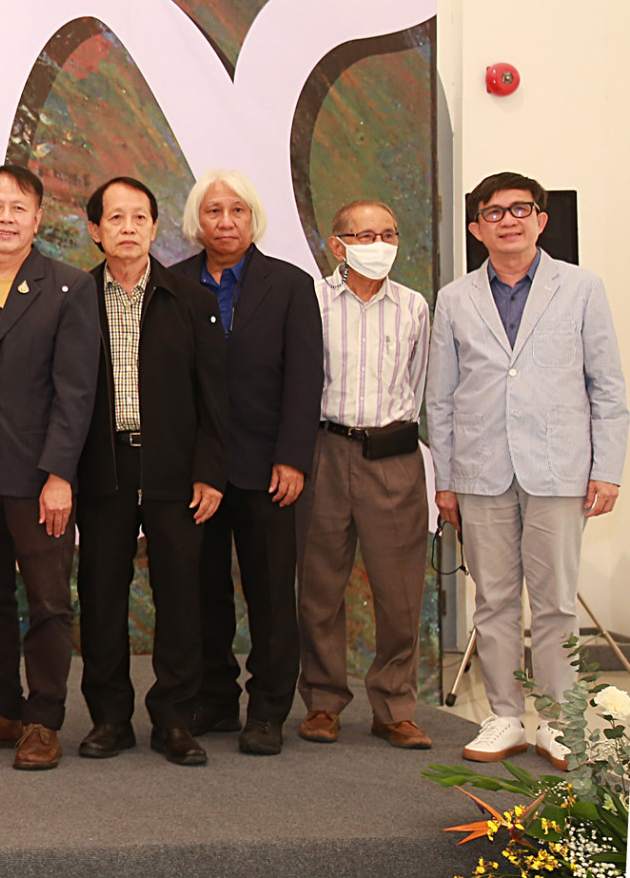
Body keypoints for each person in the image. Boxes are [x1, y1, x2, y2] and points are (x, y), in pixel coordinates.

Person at [429, 171, 626, 773]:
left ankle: (560, 721)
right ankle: (505, 715)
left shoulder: (582, 288)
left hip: (560, 469)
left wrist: (608, 468)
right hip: (481, 470)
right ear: (476, 228)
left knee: (556, 604)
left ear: (541, 220)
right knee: (492, 600)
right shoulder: (455, 298)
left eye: (521, 209)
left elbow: (608, 388)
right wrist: (445, 478)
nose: (508, 220)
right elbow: (439, 397)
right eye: (494, 212)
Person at [0, 164, 99, 771]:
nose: (5, 218)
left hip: (37, 478)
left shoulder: (69, 286)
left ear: (37, 218)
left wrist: (60, 475)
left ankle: (44, 718)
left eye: (18, 208)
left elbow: (76, 391)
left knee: (49, 600)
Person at [75, 177, 228, 767]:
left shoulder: (190, 298)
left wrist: (210, 472)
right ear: (96, 230)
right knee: (102, 597)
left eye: (140, 217)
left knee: (180, 597)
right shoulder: (75, 298)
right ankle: (110, 719)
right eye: (116, 218)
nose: (129, 227)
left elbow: (214, 398)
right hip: (103, 469)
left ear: (154, 227)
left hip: (174, 470)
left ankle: (174, 720)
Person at [170, 170, 320, 757]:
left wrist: (292, 457)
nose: (225, 221)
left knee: (271, 596)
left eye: (236, 210)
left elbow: (305, 380)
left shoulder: (289, 285)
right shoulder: (175, 284)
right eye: (213, 211)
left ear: (253, 217)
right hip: (196, 472)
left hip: (267, 470)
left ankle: (268, 710)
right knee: (203, 593)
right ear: (196, 221)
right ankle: (216, 698)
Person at [298, 199, 434, 750]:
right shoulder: (311, 302)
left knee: (400, 592)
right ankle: (324, 702)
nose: (379, 247)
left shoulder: (414, 307)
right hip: (324, 451)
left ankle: (395, 706)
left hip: (393, 457)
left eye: (388, 235)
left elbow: (424, 386)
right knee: (318, 588)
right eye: (365, 236)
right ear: (338, 245)